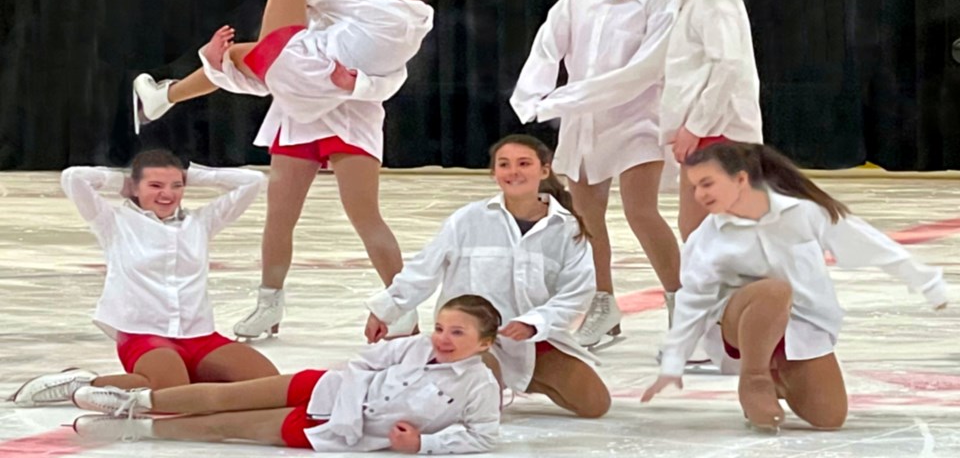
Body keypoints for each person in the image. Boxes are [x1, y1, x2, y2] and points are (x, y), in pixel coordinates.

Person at [133, 0, 435, 341]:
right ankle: (268, 306)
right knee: (280, 214)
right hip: (301, 104)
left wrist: (356, 81)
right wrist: (230, 55)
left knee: (366, 215)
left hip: (345, 111)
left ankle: (401, 306)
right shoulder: (337, 3)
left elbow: (393, 73)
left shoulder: (400, 13)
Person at [641, 142, 949, 430]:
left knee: (828, 417)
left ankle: (778, 376)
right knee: (773, 291)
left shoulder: (803, 214)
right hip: (738, 327)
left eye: (707, 184)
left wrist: (926, 281)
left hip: (801, 324)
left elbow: (872, 244)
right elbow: (693, 298)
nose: (699, 196)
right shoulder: (710, 234)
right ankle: (756, 377)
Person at [510, 0, 680, 348]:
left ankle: (685, 309)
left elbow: (646, 68)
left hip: (638, 117)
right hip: (584, 120)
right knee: (586, 219)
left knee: (641, 211)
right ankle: (603, 307)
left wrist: (566, 98)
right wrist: (532, 95)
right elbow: (549, 43)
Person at [365, 134, 611, 419]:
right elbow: (423, 270)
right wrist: (385, 310)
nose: (513, 171)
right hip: (470, 340)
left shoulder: (568, 229)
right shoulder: (468, 219)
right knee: (479, 409)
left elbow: (576, 294)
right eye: (504, 164)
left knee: (595, 404)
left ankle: (520, 377)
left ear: (544, 170)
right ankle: (465, 376)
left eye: (524, 163)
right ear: (494, 172)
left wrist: (533, 324)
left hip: (530, 340)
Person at [10, 149, 278, 407]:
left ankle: (181, 382)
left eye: (176, 186)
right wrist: (126, 180)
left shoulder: (201, 222)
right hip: (143, 334)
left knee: (269, 387)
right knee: (172, 395)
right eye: (155, 185)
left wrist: (191, 176)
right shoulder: (114, 222)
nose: (168, 194)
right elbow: (73, 177)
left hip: (199, 335)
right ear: (134, 188)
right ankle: (81, 383)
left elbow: (253, 181)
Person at [71, 295, 501, 454]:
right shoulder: (418, 345)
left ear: (483, 343)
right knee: (229, 395)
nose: (443, 338)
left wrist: (423, 444)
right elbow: (364, 361)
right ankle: (133, 402)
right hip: (325, 388)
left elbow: (482, 435)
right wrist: (350, 394)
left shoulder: (479, 387)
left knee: (223, 427)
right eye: (441, 328)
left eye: (457, 333)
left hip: (334, 432)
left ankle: (139, 431)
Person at [655, 0, 763, 243]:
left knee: (711, 230)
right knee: (699, 229)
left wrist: (696, 127)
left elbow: (728, 65)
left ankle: (738, 296)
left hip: (720, 133)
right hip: (708, 132)